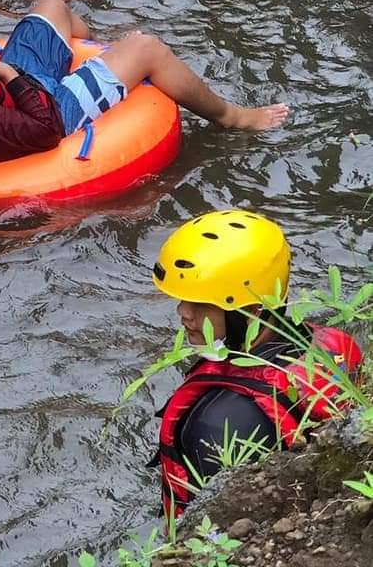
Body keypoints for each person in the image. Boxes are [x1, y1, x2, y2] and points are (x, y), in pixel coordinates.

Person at [0, 0, 290, 166]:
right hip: (48, 109)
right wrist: (6, 72)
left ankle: (102, 64)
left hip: (10, 90)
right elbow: (44, 131)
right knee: (146, 47)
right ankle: (233, 117)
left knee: (51, 4)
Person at [150, 210, 362, 520]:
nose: (184, 312)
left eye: (202, 303)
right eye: (183, 300)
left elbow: (206, 526)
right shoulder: (327, 345)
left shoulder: (214, 426)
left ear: (249, 311)